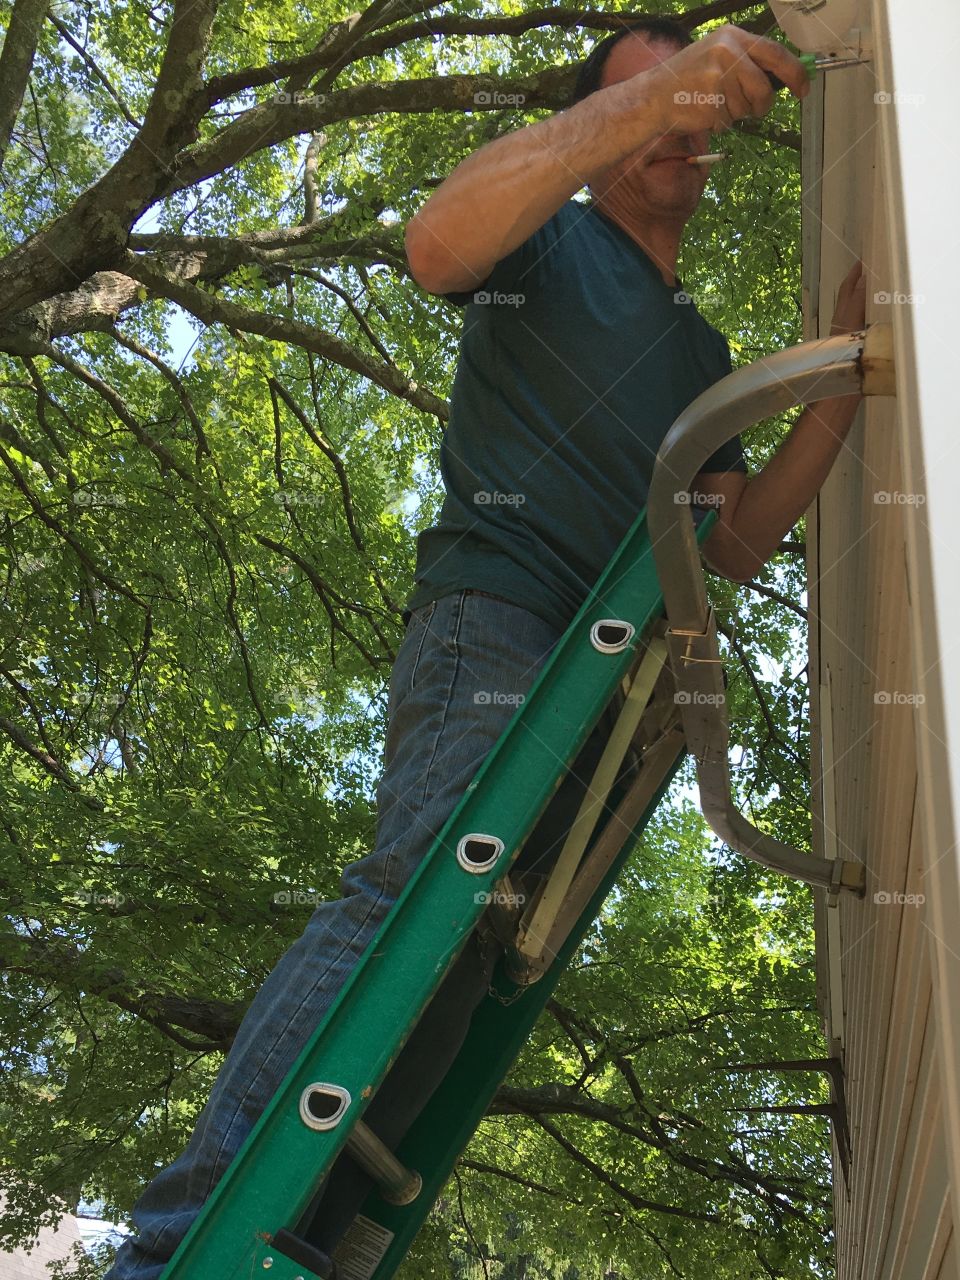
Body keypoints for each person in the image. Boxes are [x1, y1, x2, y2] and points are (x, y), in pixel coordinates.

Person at [106, 16, 866, 1279]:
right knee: (424, 884)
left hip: (599, 681)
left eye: (689, 101)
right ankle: (188, 1243)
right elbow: (437, 240)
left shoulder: (701, 352)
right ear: (600, 128)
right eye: (640, 102)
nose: (676, 121)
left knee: (467, 971)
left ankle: (313, 1238)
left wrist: (840, 378)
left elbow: (732, 544)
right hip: (498, 616)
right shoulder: (548, 243)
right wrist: (655, 92)